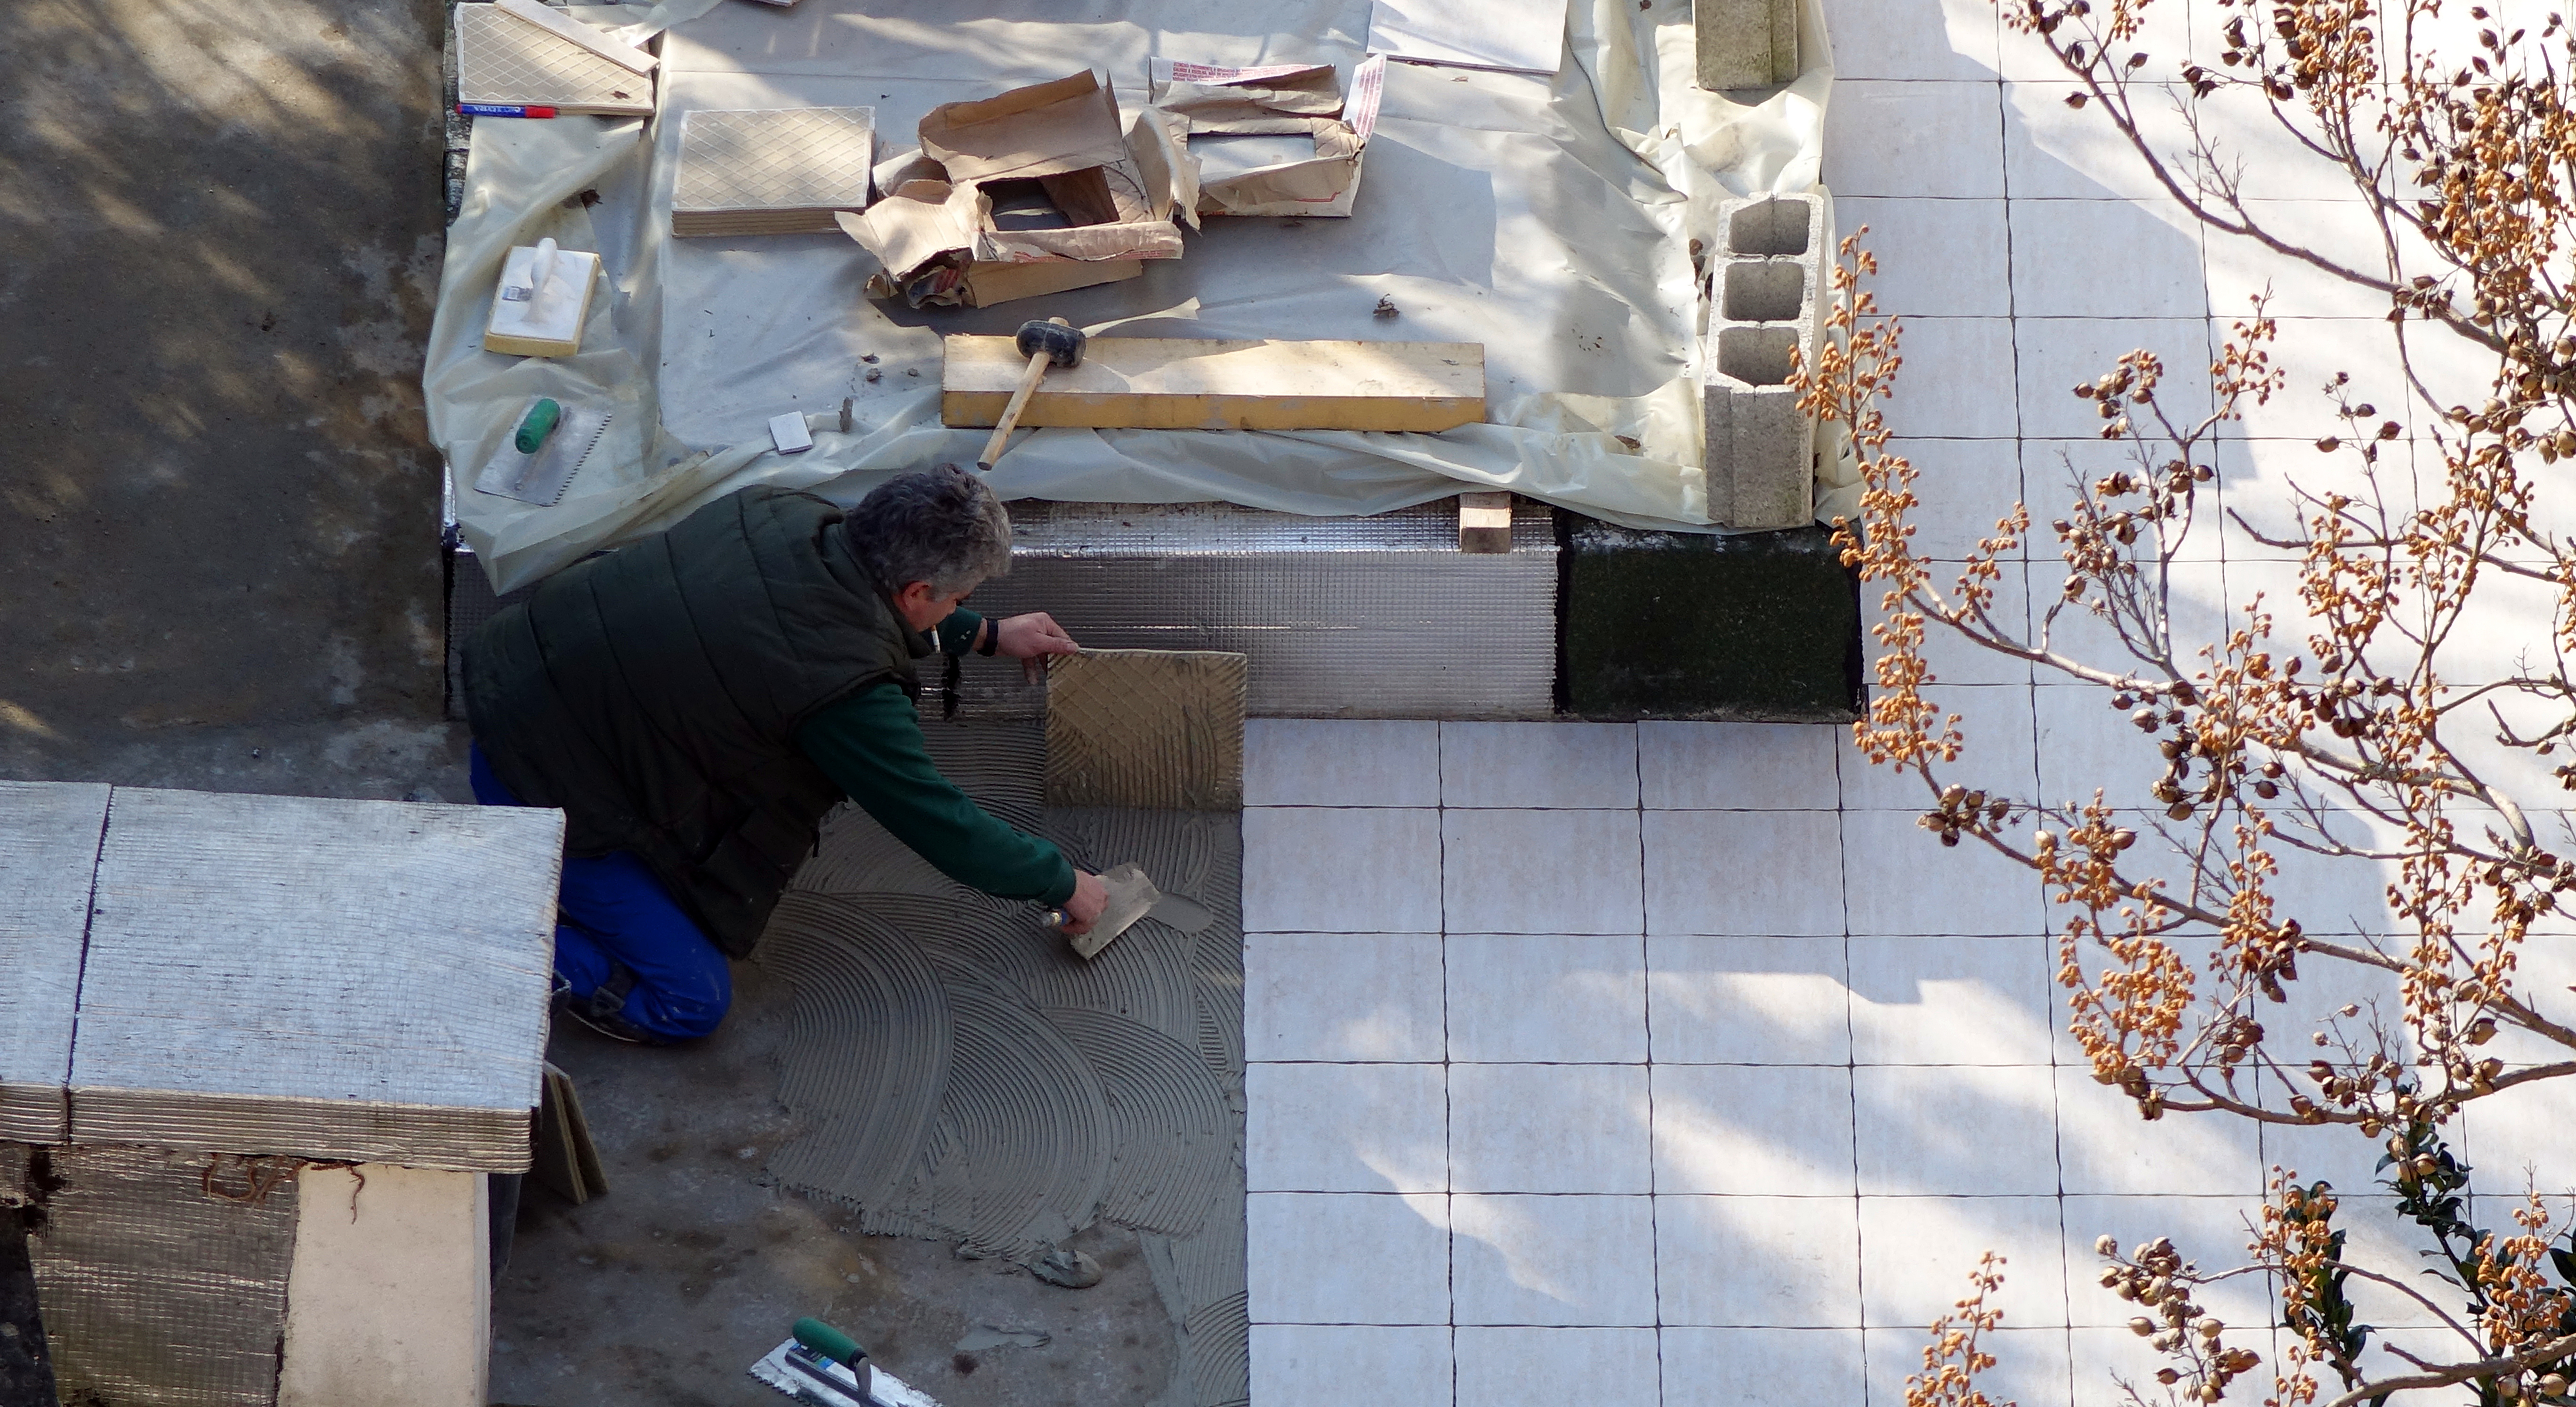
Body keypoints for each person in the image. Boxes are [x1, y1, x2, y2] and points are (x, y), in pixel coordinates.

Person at [460, 467, 1108, 1043]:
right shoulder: (846, 693)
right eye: (958, 601)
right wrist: (1061, 882)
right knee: (689, 1001)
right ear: (918, 593)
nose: (958, 610)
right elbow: (939, 823)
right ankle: (475, 926)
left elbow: (844, 605)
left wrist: (988, 634)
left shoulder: (779, 510)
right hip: (538, 789)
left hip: (513, 685)